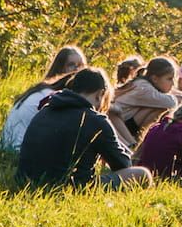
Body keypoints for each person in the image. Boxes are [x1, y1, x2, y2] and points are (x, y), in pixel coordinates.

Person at [16, 68, 152, 190]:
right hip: (70, 187)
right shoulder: (96, 120)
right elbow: (123, 165)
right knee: (142, 174)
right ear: (100, 94)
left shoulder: (44, 111)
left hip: (26, 182)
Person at [0, 45, 88, 152]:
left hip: (8, 148)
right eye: (71, 65)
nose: (78, 70)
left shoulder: (45, 89)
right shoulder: (53, 96)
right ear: (60, 68)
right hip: (18, 152)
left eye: (81, 65)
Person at [108, 55, 180, 149]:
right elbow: (172, 103)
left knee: (159, 107)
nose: (173, 84)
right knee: (162, 107)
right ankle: (135, 143)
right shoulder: (144, 89)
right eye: (169, 79)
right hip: (119, 124)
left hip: (127, 121)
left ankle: (138, 141)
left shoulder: (145, 85)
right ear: (155, 79)